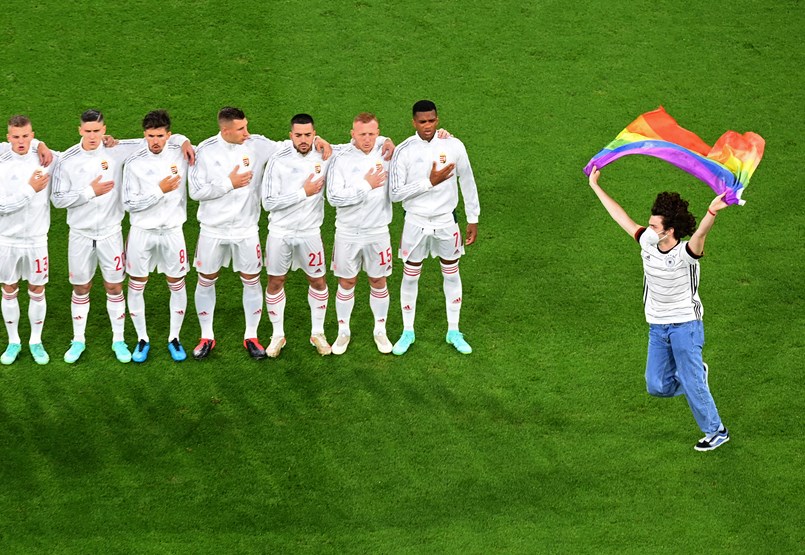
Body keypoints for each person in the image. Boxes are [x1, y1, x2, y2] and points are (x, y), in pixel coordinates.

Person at [587, 165, 730, 451]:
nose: (649, 229)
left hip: (685, 326)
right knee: (657, 386)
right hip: (657, 326)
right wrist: (595, 186)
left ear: (671, 230)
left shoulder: (686, 253)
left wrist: (712, 211)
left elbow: (701, 233)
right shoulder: (648, 241)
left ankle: (716, 431)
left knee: (690, 382)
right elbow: (620, 216)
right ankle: (695, 377)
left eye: (654, 226)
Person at [189, 107, 331, 360]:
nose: (247, 132)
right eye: (241, 129)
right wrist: (228, 183)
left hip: (246, 229)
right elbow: (196, 191)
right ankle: (206, 336)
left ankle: (251, 336)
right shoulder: (205, 150)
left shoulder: (256, 144)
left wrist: (318, 140)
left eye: (246, 126)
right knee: (206, 278)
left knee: (251, 279)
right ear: (226, 130)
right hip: (213, 229)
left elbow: (289, 145)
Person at [52, 109, 192, 364]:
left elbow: (158, 140)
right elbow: (58, 199)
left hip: (112, 233)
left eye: (97, 130)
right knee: (81, 287)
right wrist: (88, 192)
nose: (93, 136)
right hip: (81, 234)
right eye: (88, 130)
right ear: (79, 130)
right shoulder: (67, 158)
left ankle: (122, 340)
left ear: (105, 130)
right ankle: (79, 340)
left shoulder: (119, 150)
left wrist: (183, 140)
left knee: (115, 287)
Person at [389, 100, 480, 355]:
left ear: (437, 119)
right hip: (415, 221)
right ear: (413, 122)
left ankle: (454, 331)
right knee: (410, 275)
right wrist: (429, 183)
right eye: (422, 121)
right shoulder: (404, 150)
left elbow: (468, 180)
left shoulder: (453, 145)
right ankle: (408, 331)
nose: (427, 126)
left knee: (451, 273)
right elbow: (395, 193)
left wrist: (473, 217)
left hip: (445, 220)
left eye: (431, 121)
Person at [122, 110, 195, 363]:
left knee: (177, 282)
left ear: (168, 135)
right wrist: (159, 190)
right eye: (151, 136)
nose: (155, 141)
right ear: (144, 135)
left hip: (173, 231)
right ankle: (142, 339)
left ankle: (174, 337)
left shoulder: (180, 152)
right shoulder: (134, 162)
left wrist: (183, 140)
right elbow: (129, 203)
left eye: (160, 136)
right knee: (137, 284)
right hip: (142, 232)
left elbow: (193, 144)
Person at [325, 112, 395, 354]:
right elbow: (334, 197)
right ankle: (343, 332)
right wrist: (366, 185)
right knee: (347, 282)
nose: (367, 139)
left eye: (372, 134)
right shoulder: (340, 158)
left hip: (378, 232)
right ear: (352, 134)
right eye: (362, 134)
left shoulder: (387, 154)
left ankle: (380, 330)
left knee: (378, 280)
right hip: (347, 233)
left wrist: (442, 134)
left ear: (378, 133)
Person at [0, 116, 55, 365]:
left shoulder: (45, 158)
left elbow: (87, 147)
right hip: (7, 240)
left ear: (33, 135)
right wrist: (30, 190)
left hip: (36, 239)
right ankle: (13, 342)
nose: (21, 141)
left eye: (26, 136)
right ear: (8, 137)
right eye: (16, 136)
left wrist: (41, 145)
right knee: (9, 289)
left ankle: (35, 341)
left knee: (37, 290)